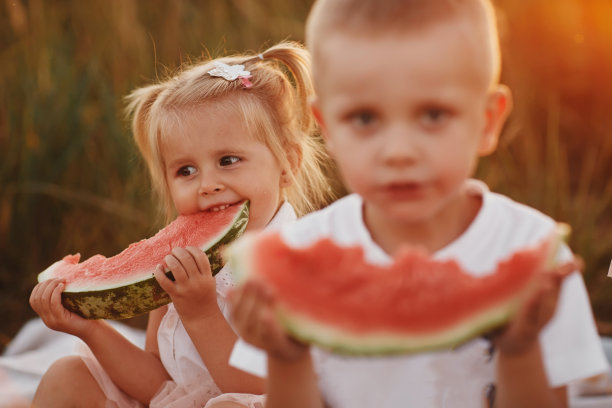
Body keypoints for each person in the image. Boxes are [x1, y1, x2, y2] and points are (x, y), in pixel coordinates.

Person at [227, 1, 610, 407]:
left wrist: (520, 351)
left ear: (488, 121)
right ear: (327, 128)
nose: (398, 151)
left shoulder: (533, 253)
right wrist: (287, 359)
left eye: (432, 114)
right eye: (364, 118)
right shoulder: (298, 258)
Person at [29, 40, 334, 408]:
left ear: (288, 163)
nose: (207, 184)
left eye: (228, 160)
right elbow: (158, 383)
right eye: (186, 170)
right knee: (68, 375)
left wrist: (202, 314)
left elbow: (261, 387)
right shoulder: (181, 261)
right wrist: (88, 328)